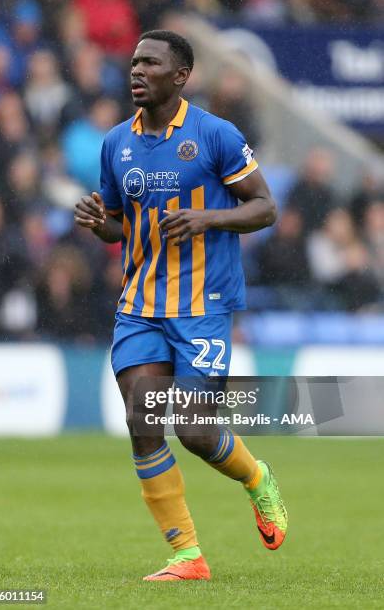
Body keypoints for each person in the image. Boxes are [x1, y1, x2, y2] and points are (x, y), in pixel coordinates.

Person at [74, 29, 287, 582]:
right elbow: (124, 221)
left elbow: (264, 207)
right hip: (141, 302)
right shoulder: (116, 142)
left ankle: (256, 477)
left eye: (150, 63)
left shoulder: (215, 134)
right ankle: (188, 555)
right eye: (134, 63)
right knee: (142, 422)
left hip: (201, 304)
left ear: (181, 75)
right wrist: (104, 228)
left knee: (193, 431)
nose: (136, 71)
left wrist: (209, 218)